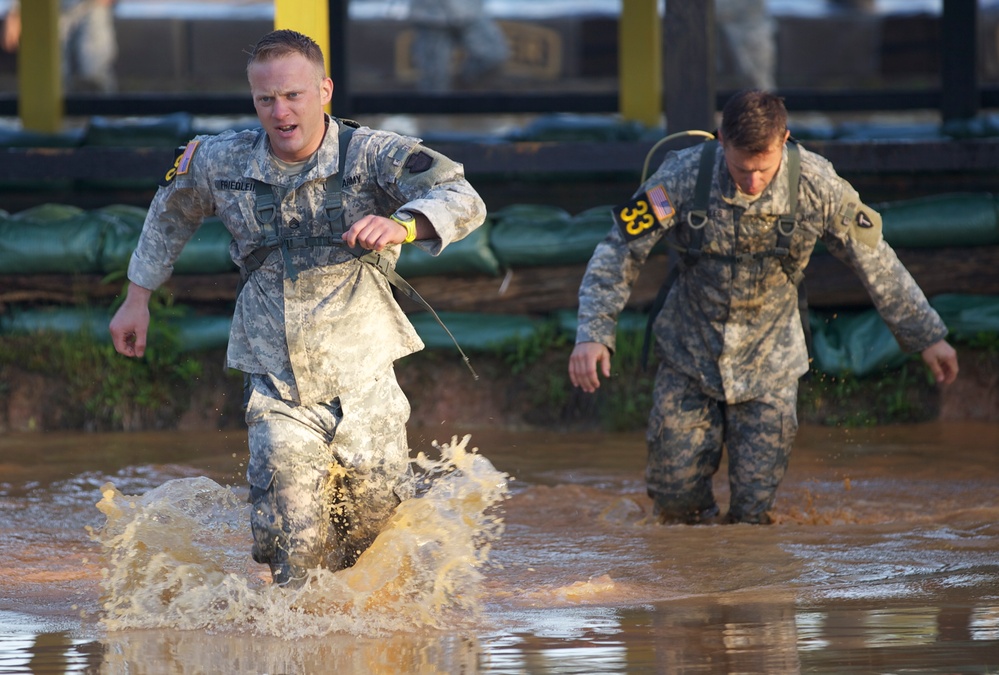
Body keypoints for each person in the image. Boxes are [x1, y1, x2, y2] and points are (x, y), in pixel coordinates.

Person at [109, 29, 487, 587]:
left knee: (369, 538)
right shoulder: (220, 159)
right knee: (291, 538)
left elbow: (464, 197)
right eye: (266, 99)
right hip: (275, 377)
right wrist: (136, 297)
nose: (280, 111)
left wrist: (401, 223)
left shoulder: (372, 153)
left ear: (324, 90)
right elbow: (171, 212)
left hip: (363, 376)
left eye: (294, 95)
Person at [568, 89, 958, 525]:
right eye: (740, 168)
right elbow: (619, 251)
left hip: (771, 365)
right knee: (677, 505)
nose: (752, 182)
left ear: (785, 140)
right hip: (689, 357)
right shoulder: (680, 177)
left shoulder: (817, 184)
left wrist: (928, 337)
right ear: (721, 141)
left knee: (753, 518)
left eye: (763, 169)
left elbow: (876, 260)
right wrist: (593, 334)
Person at [2, 0, 118, 93]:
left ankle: (101, 115)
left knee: (95, 73)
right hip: (48, 10)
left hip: (92, 6)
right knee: (52, 77)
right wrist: (15, 11)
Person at [408, 0, 509, 93]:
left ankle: (464, 91)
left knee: (494, 54)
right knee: (434, 79)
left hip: (470, 10)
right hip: (431, 15)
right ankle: (437, 110)